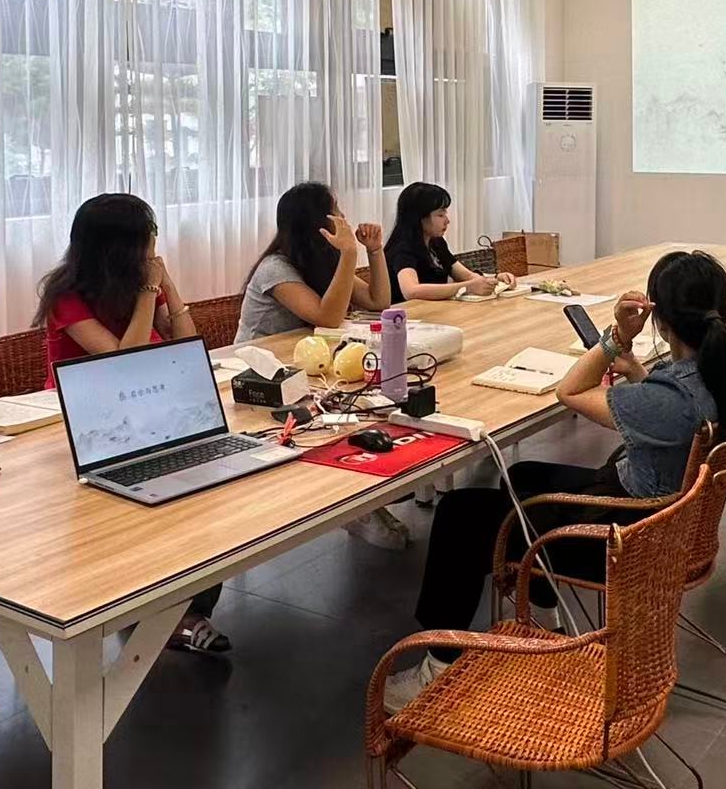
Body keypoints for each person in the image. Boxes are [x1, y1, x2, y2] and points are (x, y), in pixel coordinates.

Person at [382, 249, 726, 713]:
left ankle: (438, 666)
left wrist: (616, 338)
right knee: (521, 475)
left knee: (460, 515)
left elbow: (570, 391)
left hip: (627, 539)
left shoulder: (667, 400)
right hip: (669, 520)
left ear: (661, 321)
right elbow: (681, 414)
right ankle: (543, 611)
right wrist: (640, 374)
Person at [32, 194, 226, 654]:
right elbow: (125, 362)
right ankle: (155, 615)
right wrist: (148, 293)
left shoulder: (136, 286)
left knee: (203, 493)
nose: (155, 244)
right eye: (148, 235)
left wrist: (169, 289)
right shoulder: (66, 297)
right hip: (83, 424)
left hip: (148, 411)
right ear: (121, 246)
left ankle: (183, 610)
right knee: (145, 509)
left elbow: (186, 348)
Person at [238, 181, 405, 549]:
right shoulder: (274, 268)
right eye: (337, 211)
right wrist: (348, 254)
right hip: (261, 380)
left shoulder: (322, 262)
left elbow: (379, 300)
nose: (344, 218)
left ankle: (359, 498)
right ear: (319, 223)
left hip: (311, 372)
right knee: (334, 424)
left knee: (366, 409)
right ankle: (354, 505)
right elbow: (327, 317)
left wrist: (374, 251)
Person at [384, 181, 517, 303]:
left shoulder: (436, 243)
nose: (447, 221)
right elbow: (411, 291)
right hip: (407, 316)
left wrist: (495, 279)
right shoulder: (402, 249)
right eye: (440, 215)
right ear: (419, 218)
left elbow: (467, 276)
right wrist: (467, 287)